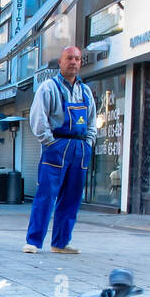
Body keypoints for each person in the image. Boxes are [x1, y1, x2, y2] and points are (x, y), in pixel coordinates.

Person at [24, 46, 97, 254]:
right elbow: (38, 119)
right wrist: (50, 143)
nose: (73, 62)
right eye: (69, 58)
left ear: (81, 62)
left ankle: (61, 242)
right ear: (60, 61)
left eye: (77, 58)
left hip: (80, 148)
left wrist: (88, 143)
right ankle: (33, 241)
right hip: (56, 145)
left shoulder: (86, 91)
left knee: (72, 197)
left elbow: (92, 121)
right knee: (46, 195)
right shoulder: (48, 88)